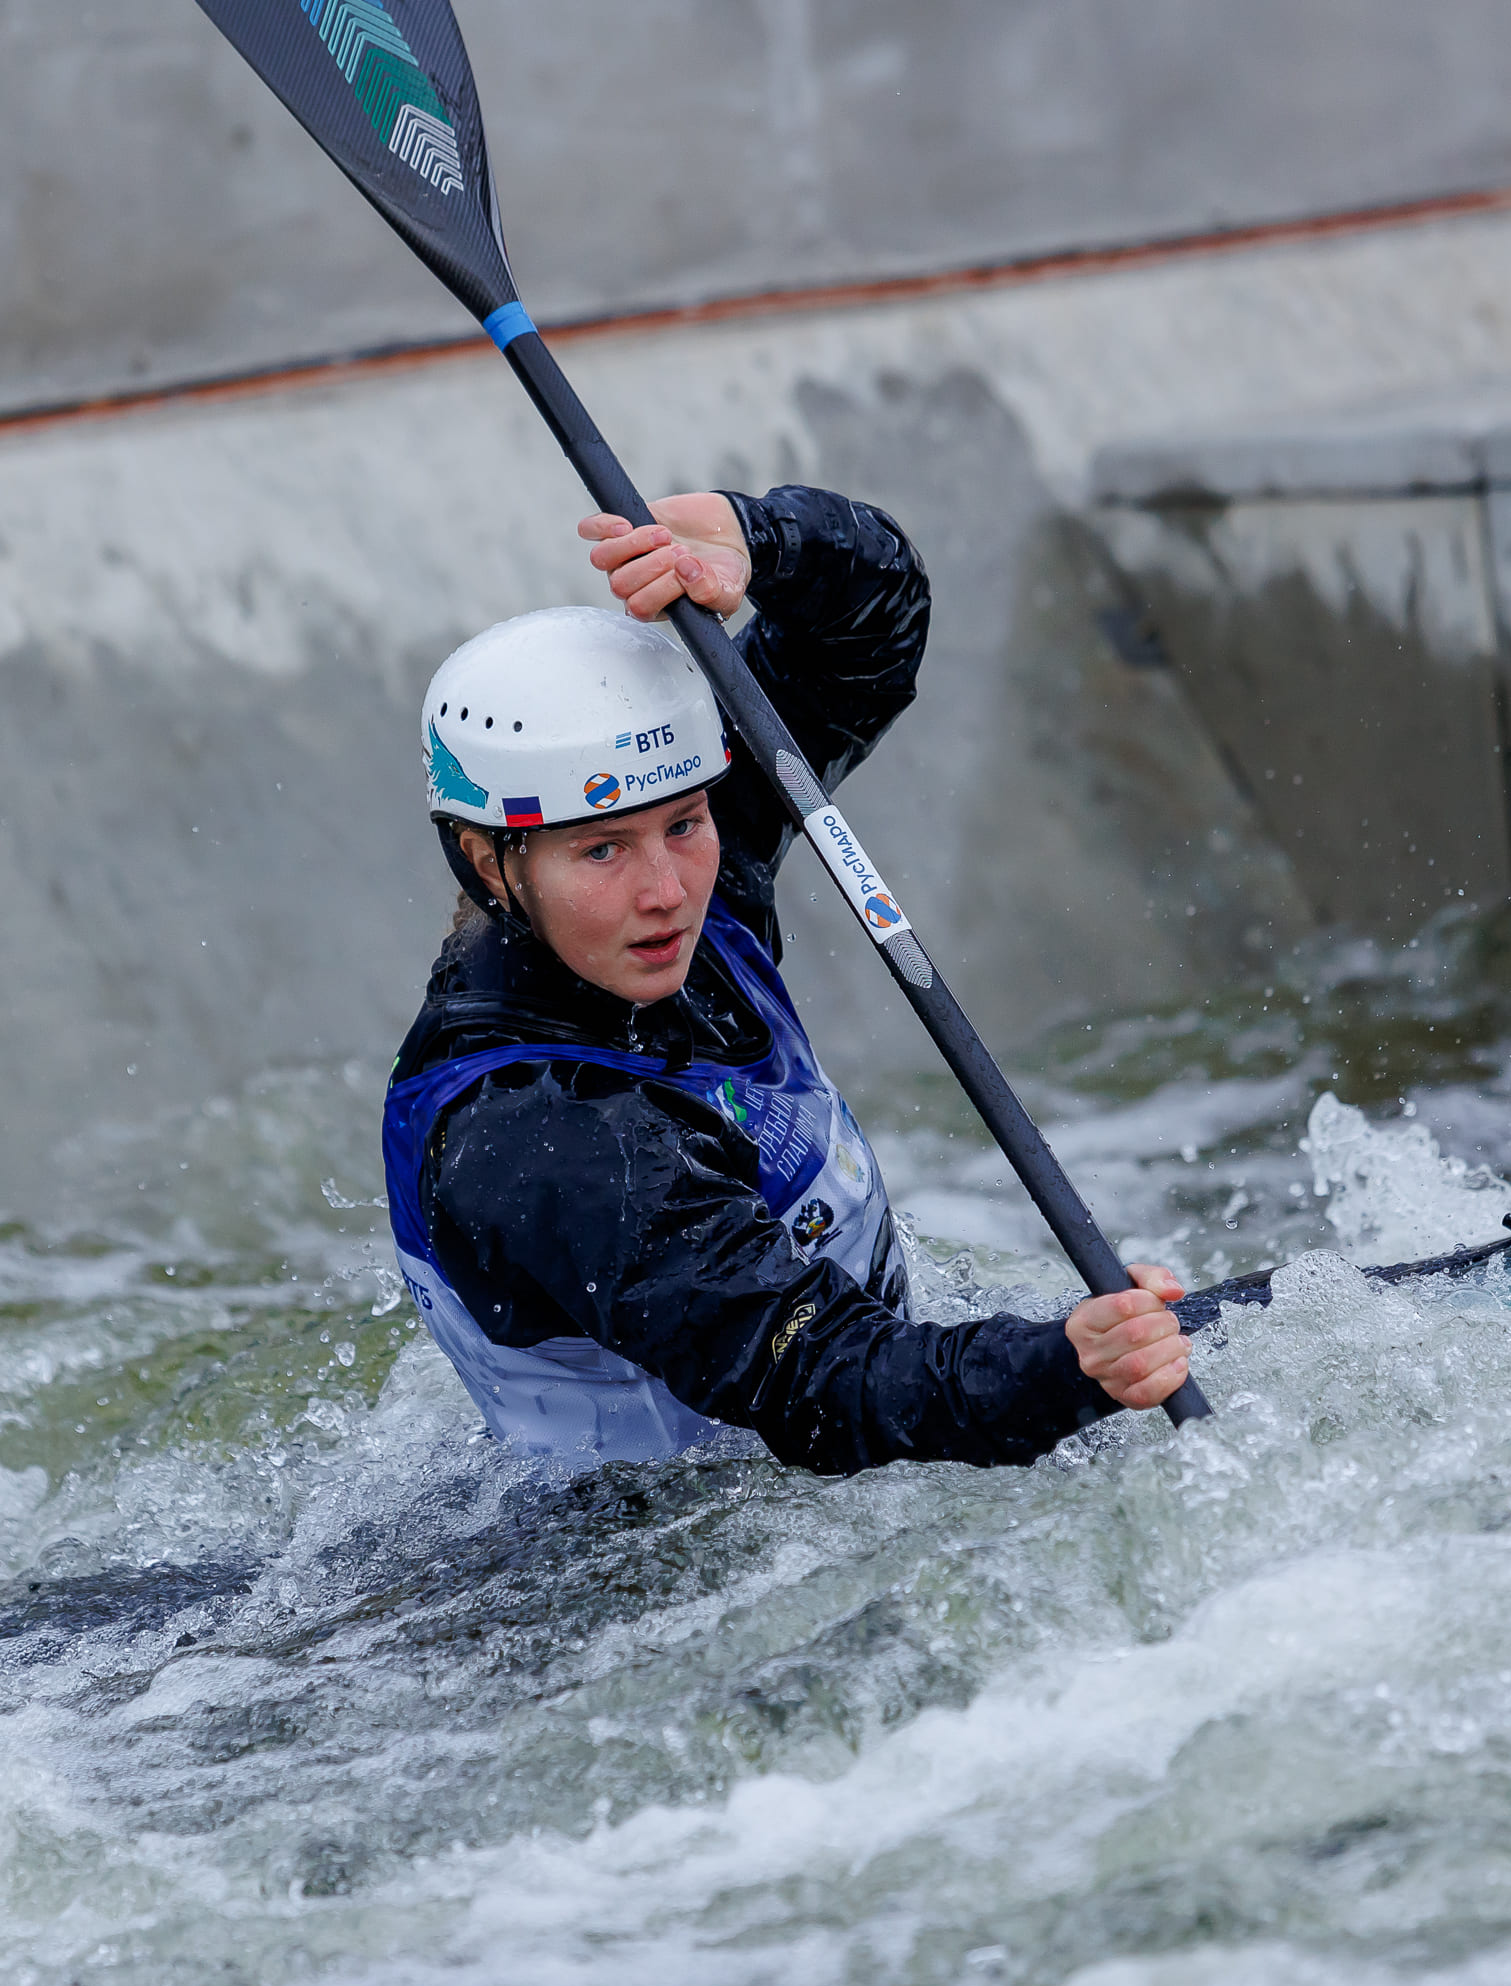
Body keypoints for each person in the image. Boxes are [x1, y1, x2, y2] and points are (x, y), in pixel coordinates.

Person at [382, 485, 1191, 1473]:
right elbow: (824, 1390)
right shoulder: (545, 1137)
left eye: (685, 823)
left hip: (866, 1440)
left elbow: (870, 635)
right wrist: (1061, 1370)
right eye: (602, 851)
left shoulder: (689, 889)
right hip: (670, 1541)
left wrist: (761, 542)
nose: (668, 890)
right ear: (488, 861)